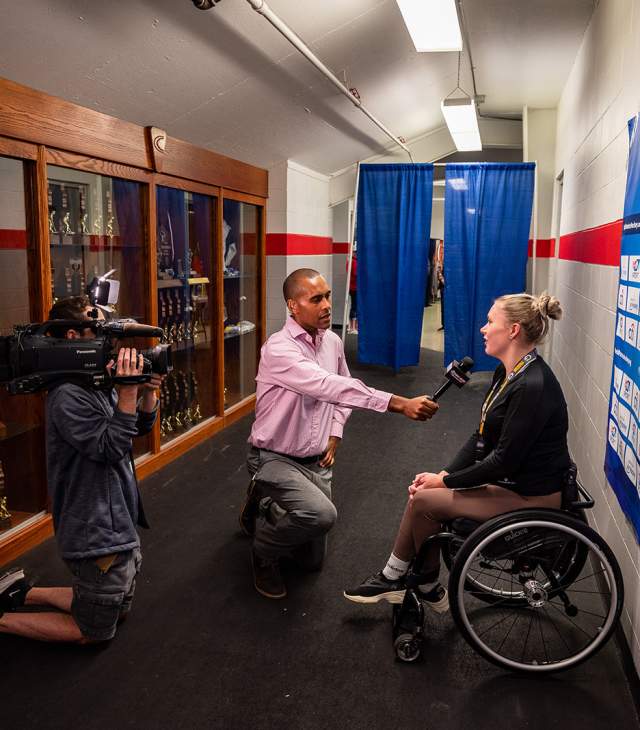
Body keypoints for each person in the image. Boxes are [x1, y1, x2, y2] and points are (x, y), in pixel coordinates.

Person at [344, 292, 569, 610]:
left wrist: (446, 484)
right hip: (513, 483)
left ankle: (425, 584)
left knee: (425, 499)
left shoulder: (532, 386)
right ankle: (395, 576)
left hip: (533, 495)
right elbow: (480, 438)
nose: (483, 328)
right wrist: (444, 475)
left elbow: (502, 461)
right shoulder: (508, 373)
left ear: (514, 330)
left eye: (491, 322)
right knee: (424, 493)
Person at [240, 268, 439, 599]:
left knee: (311, 562)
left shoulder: (331, 341)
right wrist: (399, 403)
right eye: (315, 299)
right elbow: (327, 385)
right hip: (274, 456)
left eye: (328, 296)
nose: (327, 305)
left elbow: (343, 392)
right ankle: (262, 549)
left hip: (317, 459)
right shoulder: (279, 349)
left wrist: (335, 433)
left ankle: (264, 505)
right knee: (321, 516)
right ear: (293, 305)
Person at [0, 296, 161, 644]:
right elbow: (110, 446)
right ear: (72, 336)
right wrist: (128, 392)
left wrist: (145, 395)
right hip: (95, 529)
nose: (111, 342)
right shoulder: (67, 394)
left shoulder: (92, 380)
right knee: (94, 632)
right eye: (99, 331)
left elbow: (133, 429)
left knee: (116, 607)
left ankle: (22, 592)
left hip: (117, 520)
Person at [348, 253, 358, 334]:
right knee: (354, 307)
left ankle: (352, 327)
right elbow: (356, 274)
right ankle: (353, 328)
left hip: (352, 287)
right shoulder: (354, 262)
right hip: (355, 287)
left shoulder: (351, 261)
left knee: (354, 306)